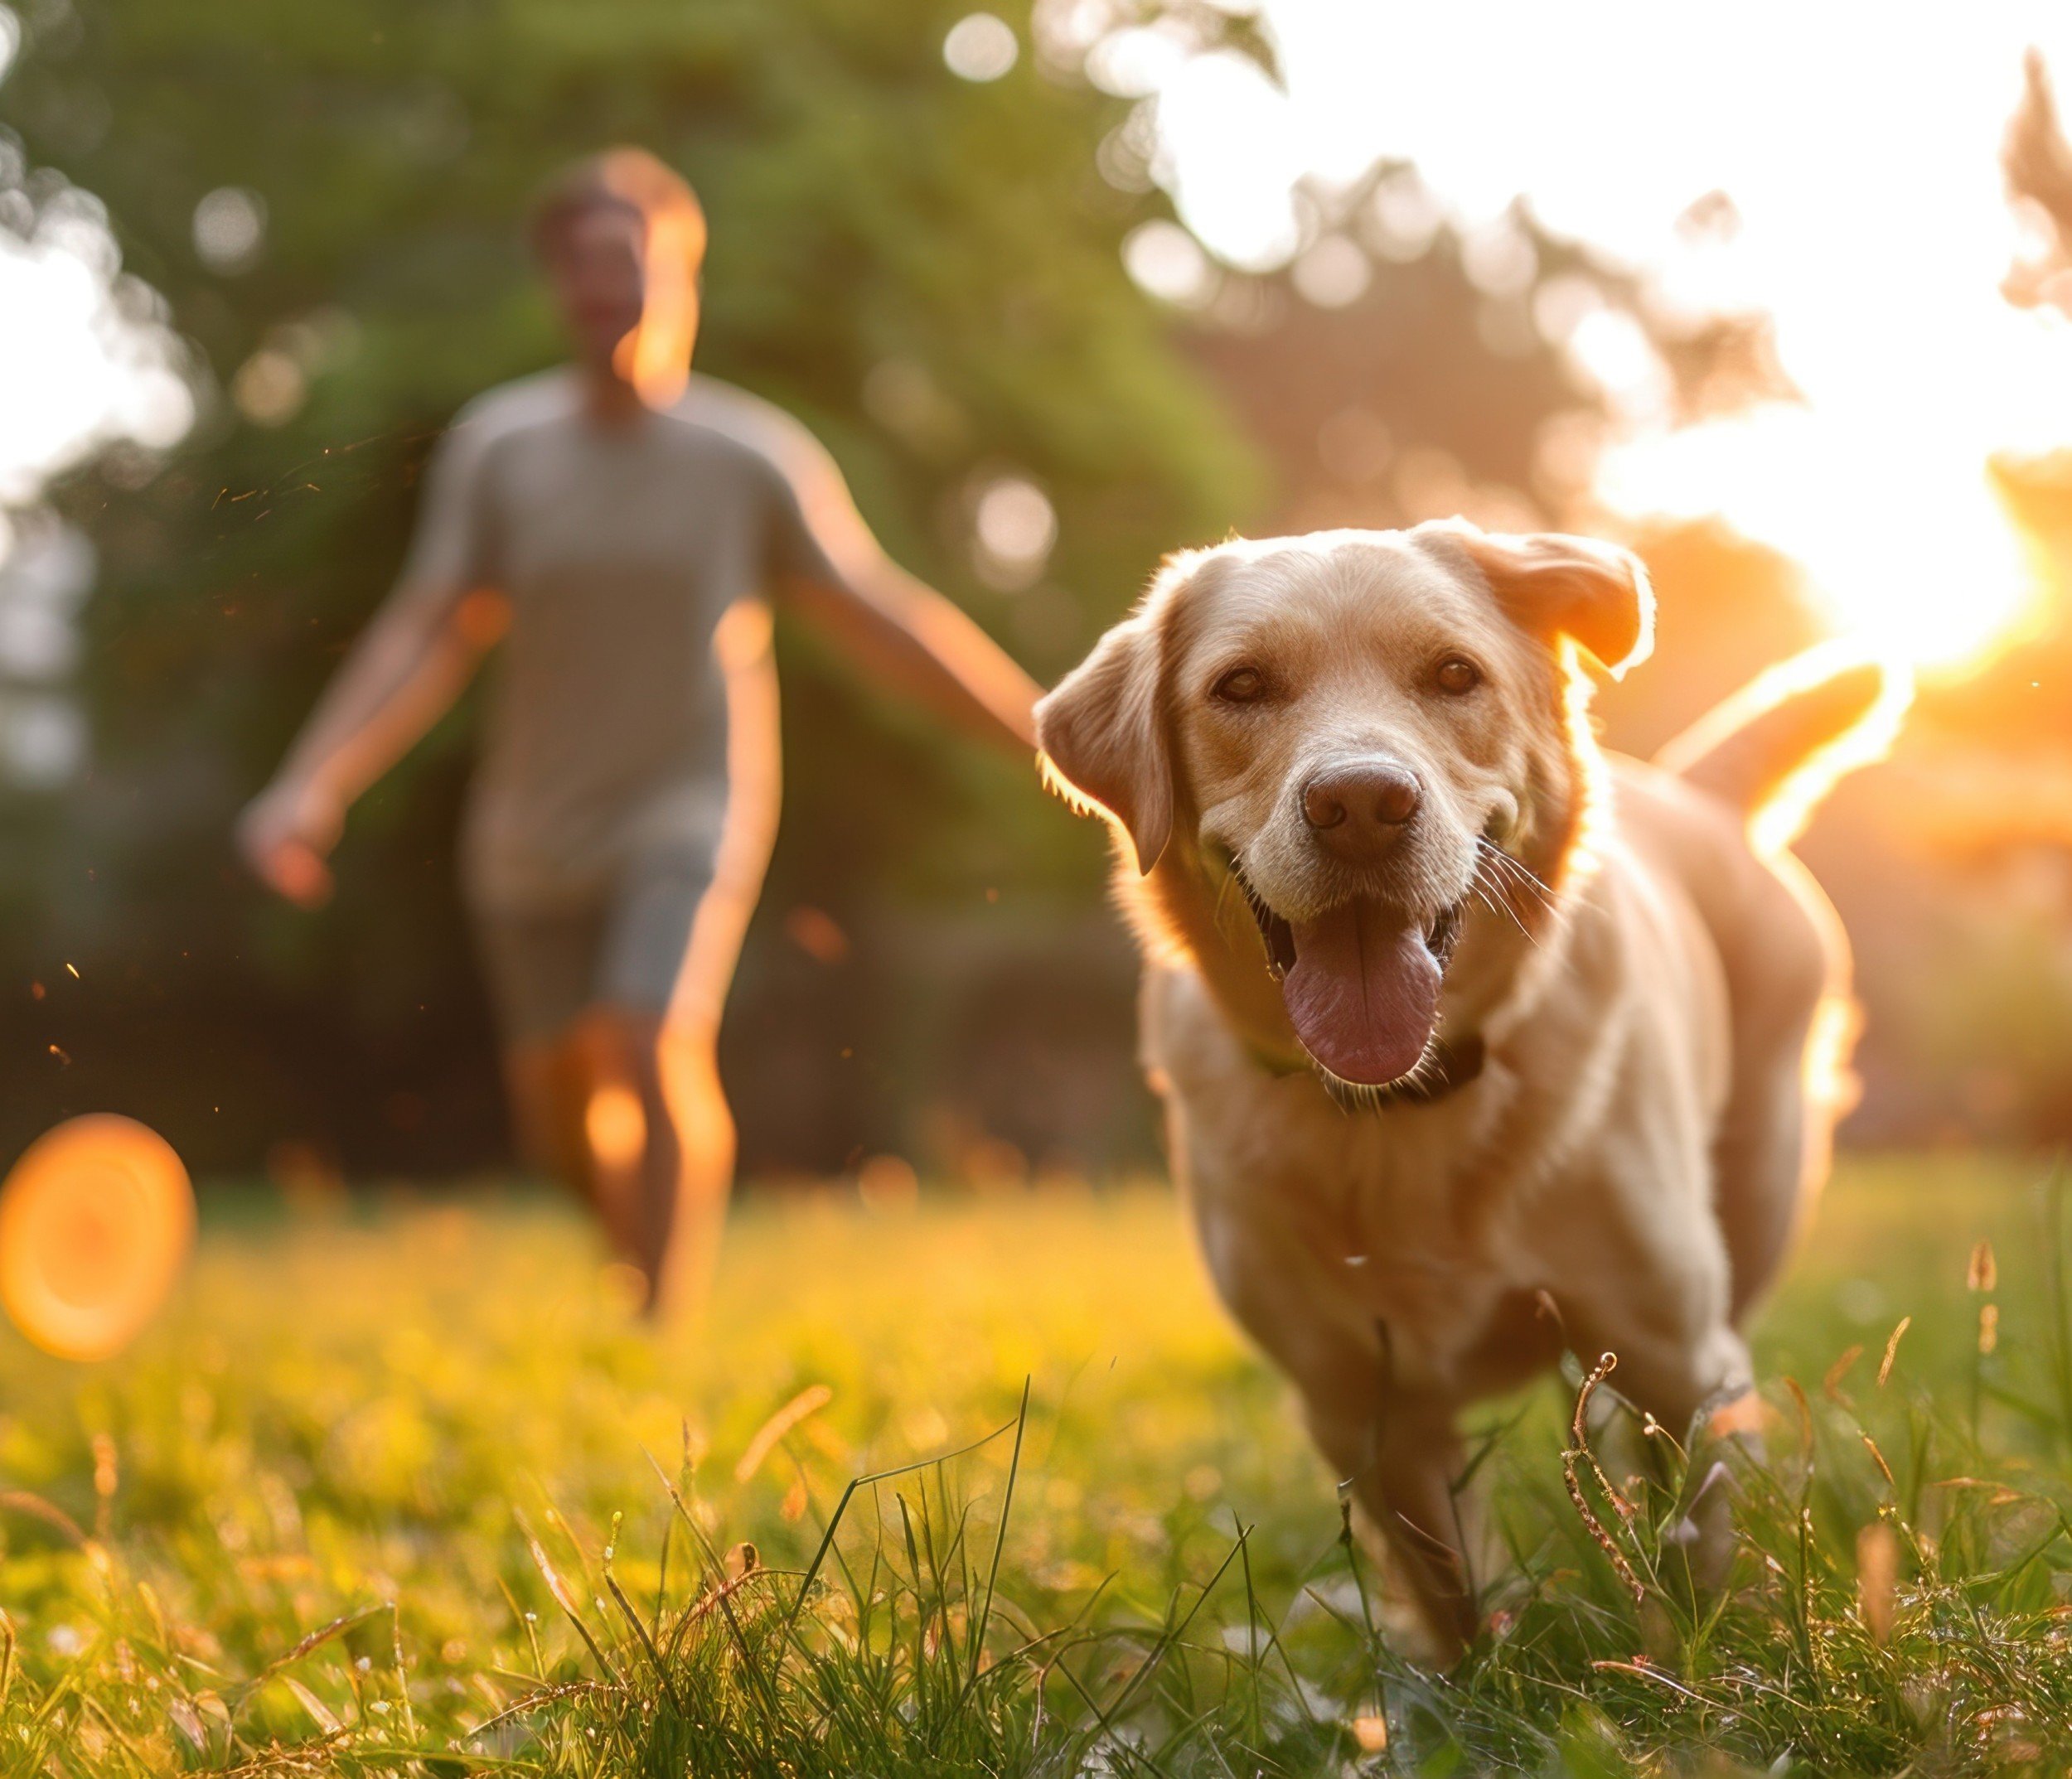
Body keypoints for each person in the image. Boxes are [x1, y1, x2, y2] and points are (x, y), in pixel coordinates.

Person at [237, 149, 1040, 1315]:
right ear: (557, 288)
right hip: (531, 826)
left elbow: (876, 612)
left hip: (688, 802)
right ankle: (628, 1256)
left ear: (681, 280)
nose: (607, 289)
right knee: (561, 1115)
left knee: (650, 1037)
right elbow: (427, 631)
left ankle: (656, 1328)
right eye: (581, 268)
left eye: (631, 264)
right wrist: (313, 783)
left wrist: (1037, 723)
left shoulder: (747, 457)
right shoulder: (501, 451)